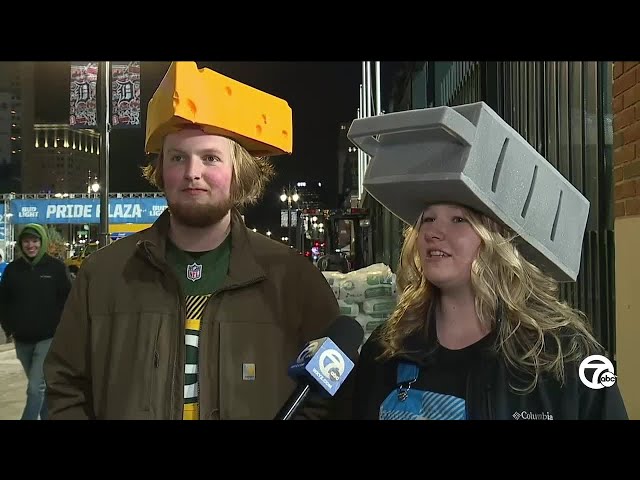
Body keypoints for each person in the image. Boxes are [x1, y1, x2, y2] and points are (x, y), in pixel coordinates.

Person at [43, 61, 342, 420]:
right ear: (161, 170)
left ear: (239, 172)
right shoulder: (103, 274)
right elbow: (65, 386)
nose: (192, 173)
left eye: (210, 158)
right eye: (177, 157)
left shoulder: (293, 279)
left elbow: (332, 395)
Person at [346, 101, 628, 420]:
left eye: (459, 220)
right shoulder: (387, 349)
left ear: (498, 243)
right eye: (427, 219)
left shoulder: (568, 355)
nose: (434, 233)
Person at [0, 224, 72, 419]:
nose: (30, 245)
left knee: (35, 388)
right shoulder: (13, 270)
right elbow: (3, 301)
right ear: (21, 244)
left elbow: (70, 300)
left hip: (48, 338)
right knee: (40, 389)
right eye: (26, 241)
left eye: (35, 241)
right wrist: (9, 328)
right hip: (22, 340)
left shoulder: (56, 269)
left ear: (42, 242)